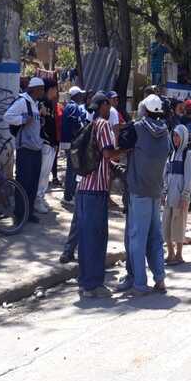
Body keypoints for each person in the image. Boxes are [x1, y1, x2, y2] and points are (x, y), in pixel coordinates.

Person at [115, 94, 171, 295]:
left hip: (138, 191)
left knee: (137, 238)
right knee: (156, 237)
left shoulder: (137, 128)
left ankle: (139, 282)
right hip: (156, 191)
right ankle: (160, 278)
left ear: (144, 110)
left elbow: (120, 146)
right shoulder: (165, 131)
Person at [75, 92, 118, 298]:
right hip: (97, 189)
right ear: (102, 105)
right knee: (97, 238)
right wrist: (128, 149)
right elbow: (109, 153)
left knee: (85, 238)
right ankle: (94, 284)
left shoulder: (90, 124)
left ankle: (84, 282)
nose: (110, 108)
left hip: (83, 188)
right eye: (108, 105)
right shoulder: (103, 125)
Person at [4, 76, 45, 225]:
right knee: (23, 181)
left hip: (36, 148)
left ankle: (29, 213)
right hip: (25, 149)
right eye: (41, 89)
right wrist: (22, 120)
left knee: (33, 182)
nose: (43, 92)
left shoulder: (35, 103)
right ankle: (19, 213)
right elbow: (7, 116)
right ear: (35, 89)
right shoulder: (23, 102)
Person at [163, 124, 191, 266]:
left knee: (179, 225)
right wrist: (164, 192)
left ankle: (179, 254)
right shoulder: (170, 154)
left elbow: (189, 177)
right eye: (174, 135)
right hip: (169, 197)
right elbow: (165, 174)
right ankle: (170, 253)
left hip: (180, 197)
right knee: (167, 225)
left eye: (178, 136)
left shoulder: (188, 154)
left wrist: (185, 196)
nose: (175, 138)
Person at [60, 86, 87, 209]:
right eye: (80, 94)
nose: (82, 96)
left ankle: (69, 194)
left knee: (72, 169)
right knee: (72, 170)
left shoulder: (70, 106)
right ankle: (68, 197)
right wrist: (80, 135)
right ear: (76, 95)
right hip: (72, 143)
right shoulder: (73, 106)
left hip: (69, 142)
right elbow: (74, 124)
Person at [35, 79, 59, 215]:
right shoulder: (41, 102)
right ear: (50, 89)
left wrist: (55, 142)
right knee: (42, 174)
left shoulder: (50, 103)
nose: (57, 92)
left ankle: (41, 197)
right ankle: (37, 200)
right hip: (44, 143)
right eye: (55, 89)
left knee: (46, 174)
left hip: (51, 144)